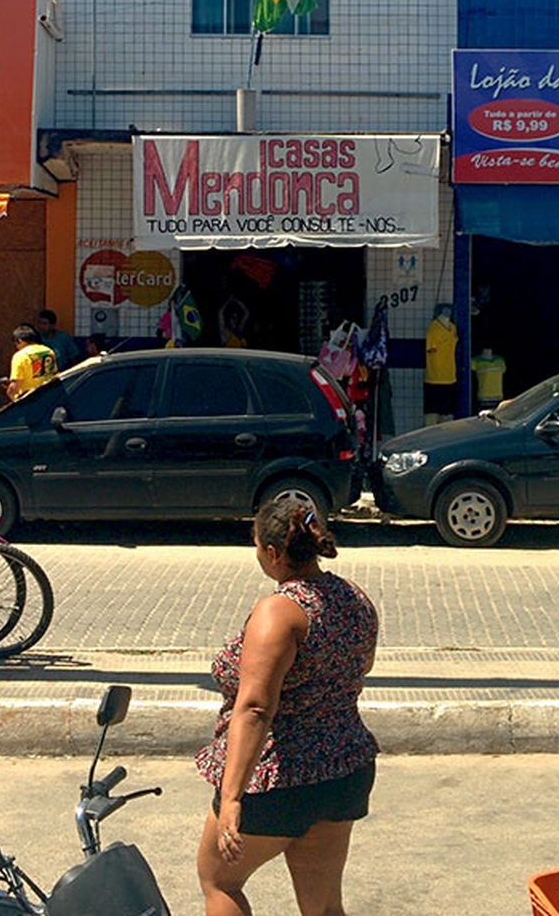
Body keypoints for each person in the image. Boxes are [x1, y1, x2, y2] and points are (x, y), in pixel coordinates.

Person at [196, 497, 378, 916]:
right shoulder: (353, 597)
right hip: (342, 769)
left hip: (276, 781)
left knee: (219, 882)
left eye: (257, 546)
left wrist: (232, 798)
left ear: (274, 554)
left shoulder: (278, 612)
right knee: (324, 907)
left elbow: (256, 708)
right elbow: (361, 666)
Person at [422, 304, 458, 424]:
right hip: (434, 378)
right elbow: (430, 349)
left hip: (450, 376)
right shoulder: (433, 329)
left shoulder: (453, 328)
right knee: (432, 413)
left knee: (446, 413)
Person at [5, 323, 58, 401]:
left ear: (19, 340)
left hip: (30, 401)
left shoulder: (20, 356)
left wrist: (13, 398)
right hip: (49, 397)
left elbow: (14, 388)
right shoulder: (48, 351)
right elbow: (54, 375)